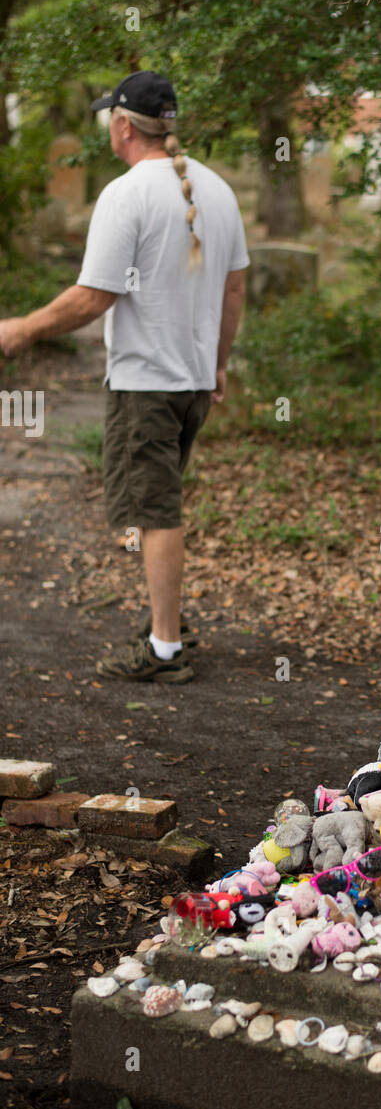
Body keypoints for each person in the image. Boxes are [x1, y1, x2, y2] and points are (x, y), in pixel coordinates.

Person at [0, 71, 249, 682]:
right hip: (191, 385)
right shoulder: (217, 188)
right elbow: (234, 286)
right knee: (157, 505)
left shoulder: (126, 194)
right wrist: (217, 362)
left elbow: (93, 298)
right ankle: (167, 624)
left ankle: (164, 649)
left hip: (146, 385)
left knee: (156, 511)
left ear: (120, 125)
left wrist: (21, 328)